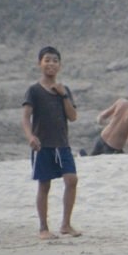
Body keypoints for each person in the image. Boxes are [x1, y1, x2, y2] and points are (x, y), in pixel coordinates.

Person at [22, 46, 81, 239]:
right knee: (44, 185)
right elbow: (25, 117)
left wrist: (63, 95)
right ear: (40, 63)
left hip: (62, 144)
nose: (51, 64)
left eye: (55, 60)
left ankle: (65, 225)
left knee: (72, 180)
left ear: (60, 65)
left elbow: (72, 117)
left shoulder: (65, 90)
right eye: (47, 60)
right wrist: (30, 137)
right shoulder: (34, 90)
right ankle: (43, 229)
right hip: (43, 145)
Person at [91, 77, 128, 155]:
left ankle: (82, 154)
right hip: (112, 149)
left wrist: (100, 120)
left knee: (93, 159)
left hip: (101, 140)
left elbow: (103, 116)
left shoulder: (120, 102)